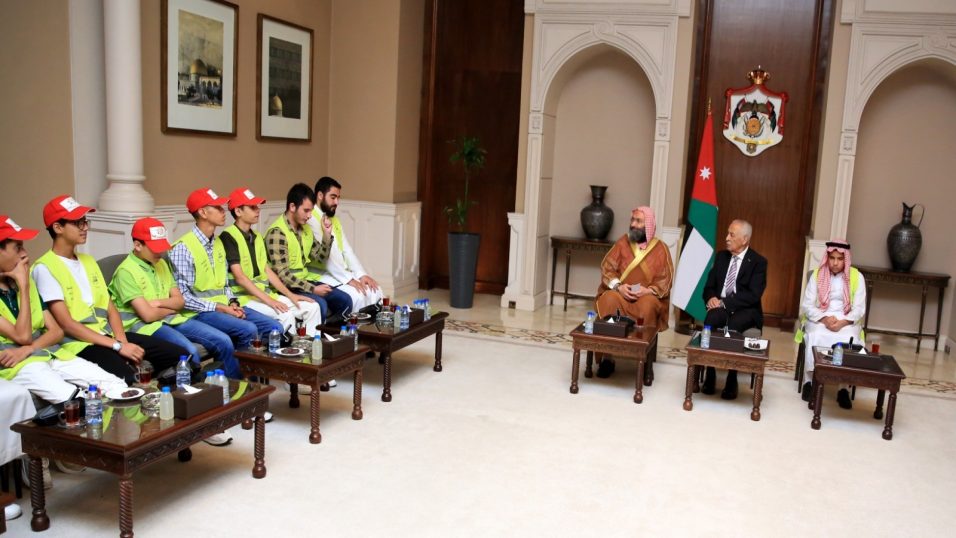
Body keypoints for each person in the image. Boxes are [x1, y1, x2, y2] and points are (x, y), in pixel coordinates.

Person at [32, 195, 187, 386]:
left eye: (85, 221)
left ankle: (169, 399)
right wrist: (117, 346)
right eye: (78, 223)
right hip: (78, 343)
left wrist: (122, 342)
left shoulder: (88, 261)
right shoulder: (45, 268)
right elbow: (67, 325)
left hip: (107, 334)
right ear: (58, 227)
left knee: (180, 357)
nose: (85, 227)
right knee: (127, 378)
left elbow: (109, 307)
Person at [109, 217, 261, 400]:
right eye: (154, 248)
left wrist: (159, 304)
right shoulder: (126, 271)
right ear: (138, 245)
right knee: (189, 352)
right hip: (145, 327)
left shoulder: (161, 263)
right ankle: (197, 402)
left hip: (173, 318)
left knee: (223, 341)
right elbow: (147, 316)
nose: (160, 252)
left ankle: (234, 395)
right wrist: (169, 307)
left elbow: (180, 302)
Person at [2, 215, 126, 403]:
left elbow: (56, 331)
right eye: (18, 248)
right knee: (77, 401)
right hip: (20, 364)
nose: (25, 254)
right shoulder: (26, 282)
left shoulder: (24, 283)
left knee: (117, 386)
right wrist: (24, 286)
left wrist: (29, 348)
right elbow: (23, 336)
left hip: (49, 353)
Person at [220, 188, 322, 337]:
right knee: (285, 314)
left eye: (257, 206)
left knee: (313, 307)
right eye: (252, 207)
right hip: (245, 298)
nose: (258, 210)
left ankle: (310, 346)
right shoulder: (228, 236)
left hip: (265, 293)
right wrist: (270, 302)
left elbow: (267, 270)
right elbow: (240, 278)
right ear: (238, 211)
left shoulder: (257, 236)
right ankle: (288, 350)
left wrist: (290, 295)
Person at [593, 206, 674, 379]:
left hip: (645, 295)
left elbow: (665, 279)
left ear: (649, 225)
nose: (633, 224)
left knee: (648, 306)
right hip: (621, 292)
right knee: (609, 299)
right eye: (632, 220)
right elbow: (608, 268)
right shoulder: (623, 242)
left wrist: (648, 290)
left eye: (638, 221)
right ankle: (608, 357)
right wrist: (618, 287)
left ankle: (643, 361)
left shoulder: (661, 249)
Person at [701, 219, 767, 400]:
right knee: (711, 320)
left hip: (746, 309)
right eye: (727, 233)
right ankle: (710, 373)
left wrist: (724, 303)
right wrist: (711, 298)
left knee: (735, 326)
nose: (727, 238)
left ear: (745, 239)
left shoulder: (758, 262)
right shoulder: (721, 257)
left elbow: (753, 295)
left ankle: (732, 377)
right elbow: (708, 287)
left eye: (732, 235)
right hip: (720, 306)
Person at [795, 239, 865, 409]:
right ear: (827, 257)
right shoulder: (818, 275)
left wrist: (842, 323)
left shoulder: (857, 277)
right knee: (816, 335)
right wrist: (824, 319)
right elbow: (807, 305)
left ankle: (843, 389)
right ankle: (809, 382)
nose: (835, 263)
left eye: (839, 259)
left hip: (846, 319)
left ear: (845, 259)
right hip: (820, 317)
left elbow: (859, 309)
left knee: (849, 339)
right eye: (832, 258)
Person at [266, 183, 350, 321]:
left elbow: (321, 259)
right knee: (321, 304)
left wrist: (327, 235)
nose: (310, 216)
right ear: (292, 207)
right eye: (306, 211)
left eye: (311, 211)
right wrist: (313, 289)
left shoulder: (305, 229)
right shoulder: (277, 233)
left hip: (304, 282)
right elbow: (283, 276)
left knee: (345, 300)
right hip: (287, 287)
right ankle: (320, 333)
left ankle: (331, 333)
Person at [307, 176, 383, 311]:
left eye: (338, 198)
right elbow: (327, 259)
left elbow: (347, 250)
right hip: (321, 275)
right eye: (333, 197)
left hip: (340, 273)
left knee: (375, 291)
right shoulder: (310, 218)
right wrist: (348, 279)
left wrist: (361, 274)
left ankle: (375, 324)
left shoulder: (333, 219)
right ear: (320, 195)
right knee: (358, 295)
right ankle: (354, 325)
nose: (336, 202)